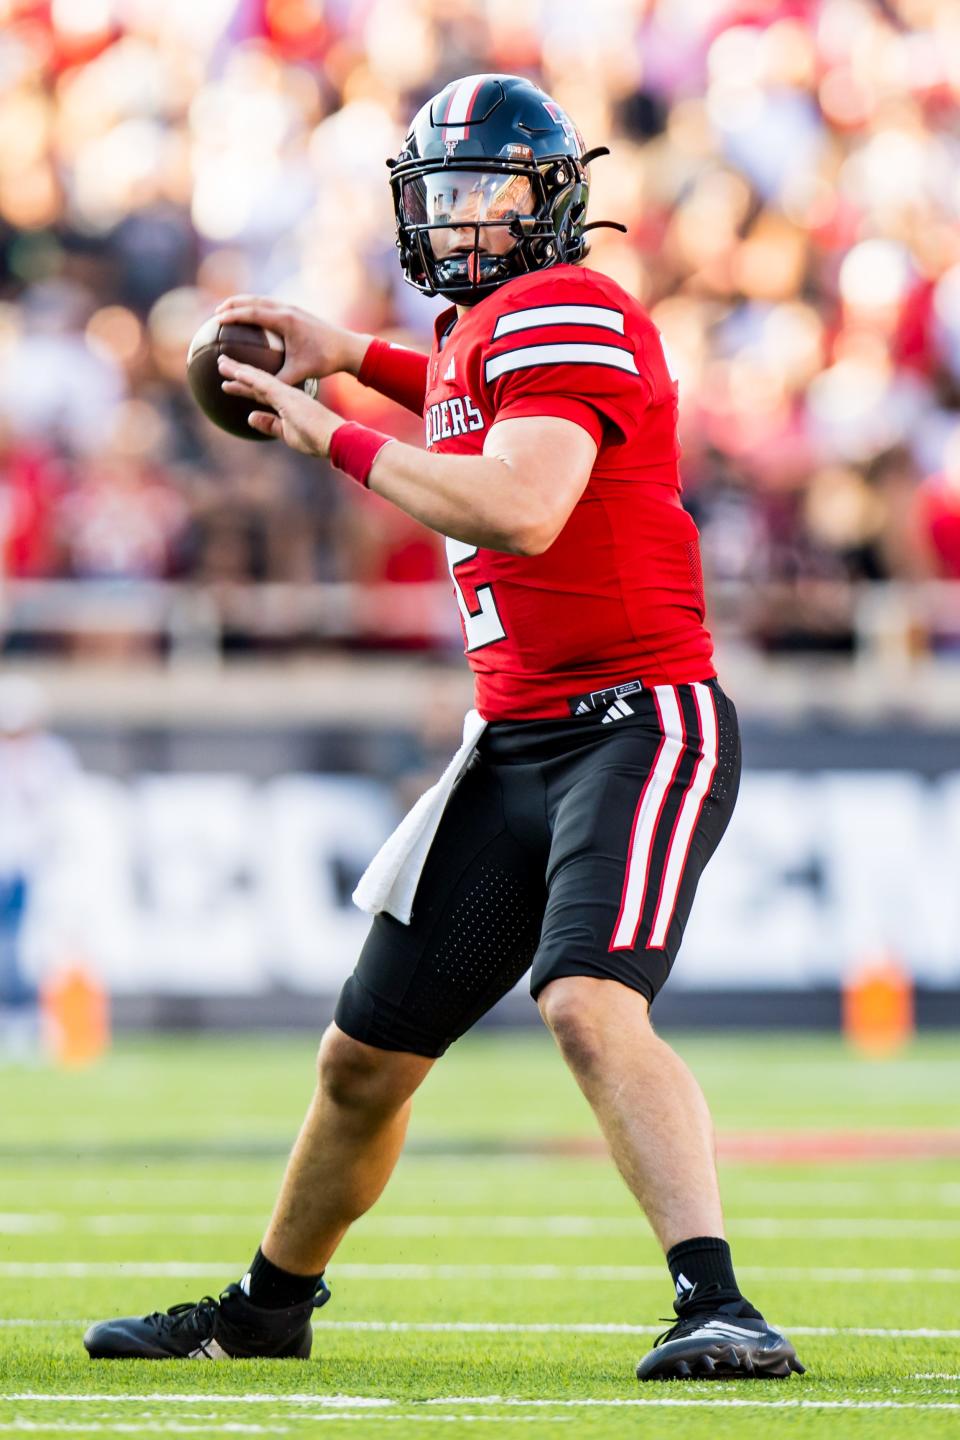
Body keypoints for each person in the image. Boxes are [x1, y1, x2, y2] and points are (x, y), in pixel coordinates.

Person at [84, 74, 804, 1382]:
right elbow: (474, 399)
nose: (461, 219)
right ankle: (268, 1306)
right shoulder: (494, 328)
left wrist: (328, 429)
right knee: (363, 1058)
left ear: (554, 203)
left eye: (487, 193)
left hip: (635, 722)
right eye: (443, 196)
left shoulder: (569, 304)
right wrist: (355, 356)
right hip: (517, 735)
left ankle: (721, 1306)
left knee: (588, 1001)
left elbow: (521, 504)